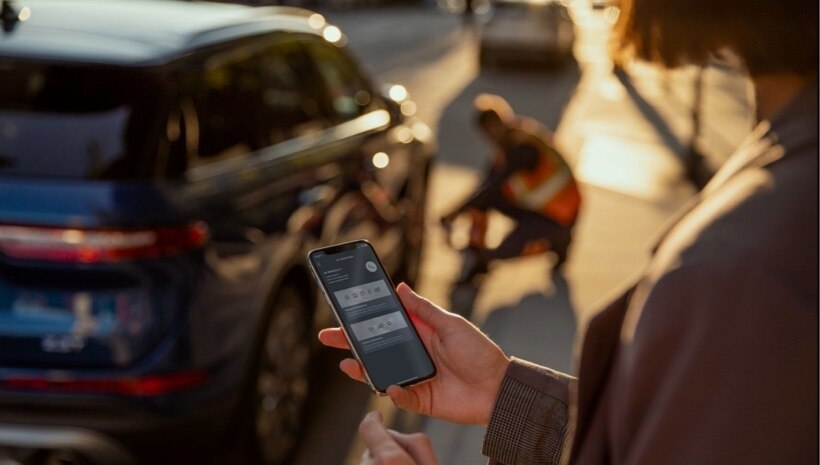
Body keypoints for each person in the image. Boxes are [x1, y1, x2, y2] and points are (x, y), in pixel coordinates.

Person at [319, 0, 818, 461]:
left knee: (513, 241)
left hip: (558, 219)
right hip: (551, 216)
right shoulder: (784, 171)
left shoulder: (747, 269)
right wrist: (501, 394)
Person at [440, 94, 581, 279]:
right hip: (542, 207)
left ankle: (556, 241)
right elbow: (485, 186)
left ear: (502, 121)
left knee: (506, 248)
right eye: (487, 131)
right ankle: (478, 254)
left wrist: (455, 213)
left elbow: (494, 186)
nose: (491, 135)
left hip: (561, 214)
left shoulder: (523, 149)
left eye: (493, 128)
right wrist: (461, 209)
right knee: (482, 201)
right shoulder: (507, 147)